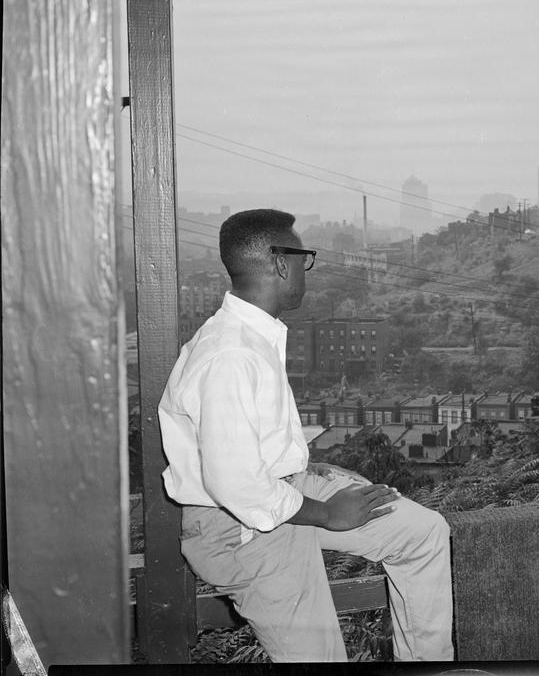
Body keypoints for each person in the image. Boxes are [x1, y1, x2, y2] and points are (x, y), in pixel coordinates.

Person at [158, 208, 454, 662]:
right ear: (280, 262)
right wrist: (328, 513)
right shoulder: (229, 354)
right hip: (241, 527)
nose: (304, 269)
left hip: (282, 494)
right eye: (303, 257)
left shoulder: (254, 338)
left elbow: (250, 451)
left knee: (422, 533)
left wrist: (308, 470)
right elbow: (234, 484)